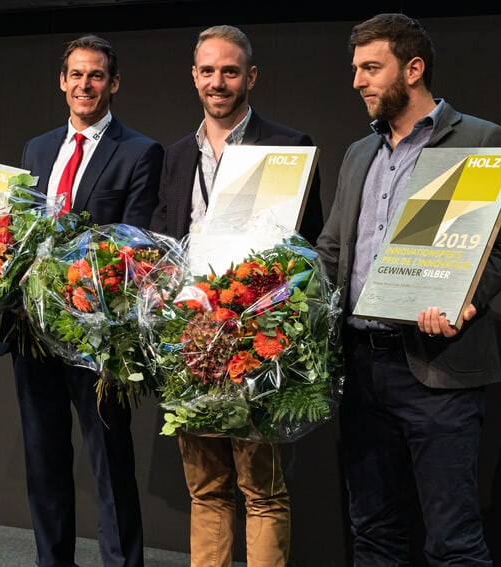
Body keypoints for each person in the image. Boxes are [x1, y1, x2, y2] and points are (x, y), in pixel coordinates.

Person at [316, 13, 501, 566]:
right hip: (361, 366)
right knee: (374, 532)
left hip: (436, 367)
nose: (358, 81)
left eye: (371, 68)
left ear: (413, 68)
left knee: (451, 541)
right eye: (356, 68)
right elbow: (333, 251)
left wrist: (464, 303)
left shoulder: (479, 139)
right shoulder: (362, 152)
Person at [150, 24, 323, 566]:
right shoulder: (177, 155)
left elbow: (309, 248)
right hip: (193, 341)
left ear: (250, 76)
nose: (217, 82)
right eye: (208, 71)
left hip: (255, 336)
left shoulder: (289, 147)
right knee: (206, 488)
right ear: (194, 76)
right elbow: (163, 243)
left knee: (262, 489)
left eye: (229, 71)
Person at [0, 34, 162, 567]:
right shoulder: (38, 148)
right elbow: (18, 230)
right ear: (62, 82)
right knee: (43, 462)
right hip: (30, 330)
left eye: (96, 76)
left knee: (110, 464)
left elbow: (131, 245)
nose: (84, 85)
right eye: (76, 75)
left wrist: (73, 291)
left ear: (113, 84)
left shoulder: (139, 151)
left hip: (96, 336)